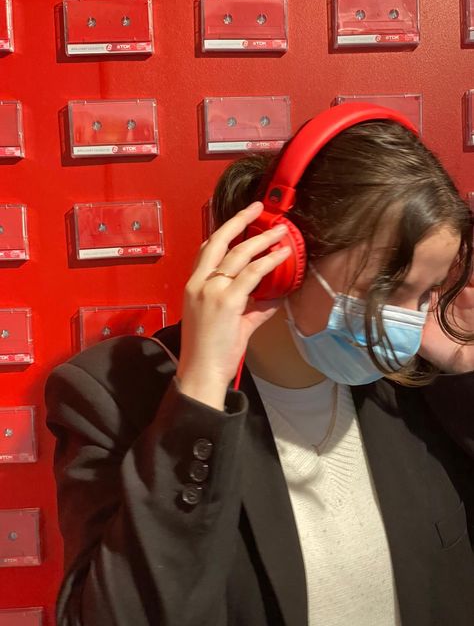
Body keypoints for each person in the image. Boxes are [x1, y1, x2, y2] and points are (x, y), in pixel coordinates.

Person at [46, 104, 474, 626]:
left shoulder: (415, 383)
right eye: (386, 289)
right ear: (282, 260)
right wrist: (200, 394)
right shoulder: (111, 396)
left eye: (424, 293)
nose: (405, 321)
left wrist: (463, 368)